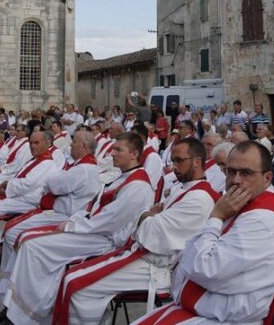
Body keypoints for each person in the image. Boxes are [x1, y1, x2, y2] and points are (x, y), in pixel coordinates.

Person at [0, 132, 154, 325]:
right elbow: (95, 209)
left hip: (107, 241)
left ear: (134, 154)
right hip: (95, 231)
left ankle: (26, 315)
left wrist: (72, 225)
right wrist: (77, 220)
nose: (112, 153)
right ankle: (14, 309)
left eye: (118, 150)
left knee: (33, 247)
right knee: (27, 241)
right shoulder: (124, 177)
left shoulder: (138, 186)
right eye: (113, 149)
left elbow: (109, 221)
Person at [53, 138, 219, 324]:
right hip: (144, 254)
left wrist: (146, 216)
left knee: (77, 286)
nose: (174, 167)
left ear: (197, 162)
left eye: (179, 160)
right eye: (173, 161)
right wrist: (149, 216)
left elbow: (152, 232)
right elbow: (149, 219)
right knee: (72, 278)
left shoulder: (199, 199)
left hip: (158, 268)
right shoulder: (184, 189)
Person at [131, 141, 274, 324]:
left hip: (226, 319)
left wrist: (216, 216)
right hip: (207, 310)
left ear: (267, 178)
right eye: (231, 171)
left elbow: (203, 269)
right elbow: (190, 254)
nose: (236, 180)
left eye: (246, 173)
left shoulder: (262, 221)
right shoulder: (243, 205)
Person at [0, 132, 101, 302]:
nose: (70, 145)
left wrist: (51, 184)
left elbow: (54, 184)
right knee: (13, 231)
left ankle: (16, 279)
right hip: (60, 211)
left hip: (63, 215)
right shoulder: (83, 166)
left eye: (74, 142)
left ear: (83, 147)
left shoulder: (83, 169)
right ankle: (13, 279)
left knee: (15, 233)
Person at [0, 131, 57, 266]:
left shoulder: (47, 163)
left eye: (36, 143)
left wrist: (7, 185)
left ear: (47, 143)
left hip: (28, 201)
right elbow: (21, 177)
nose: (32, 146)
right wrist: (8, 185)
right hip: (19, 197)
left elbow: (27, 184)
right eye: (31, 143)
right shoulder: (36, 160)